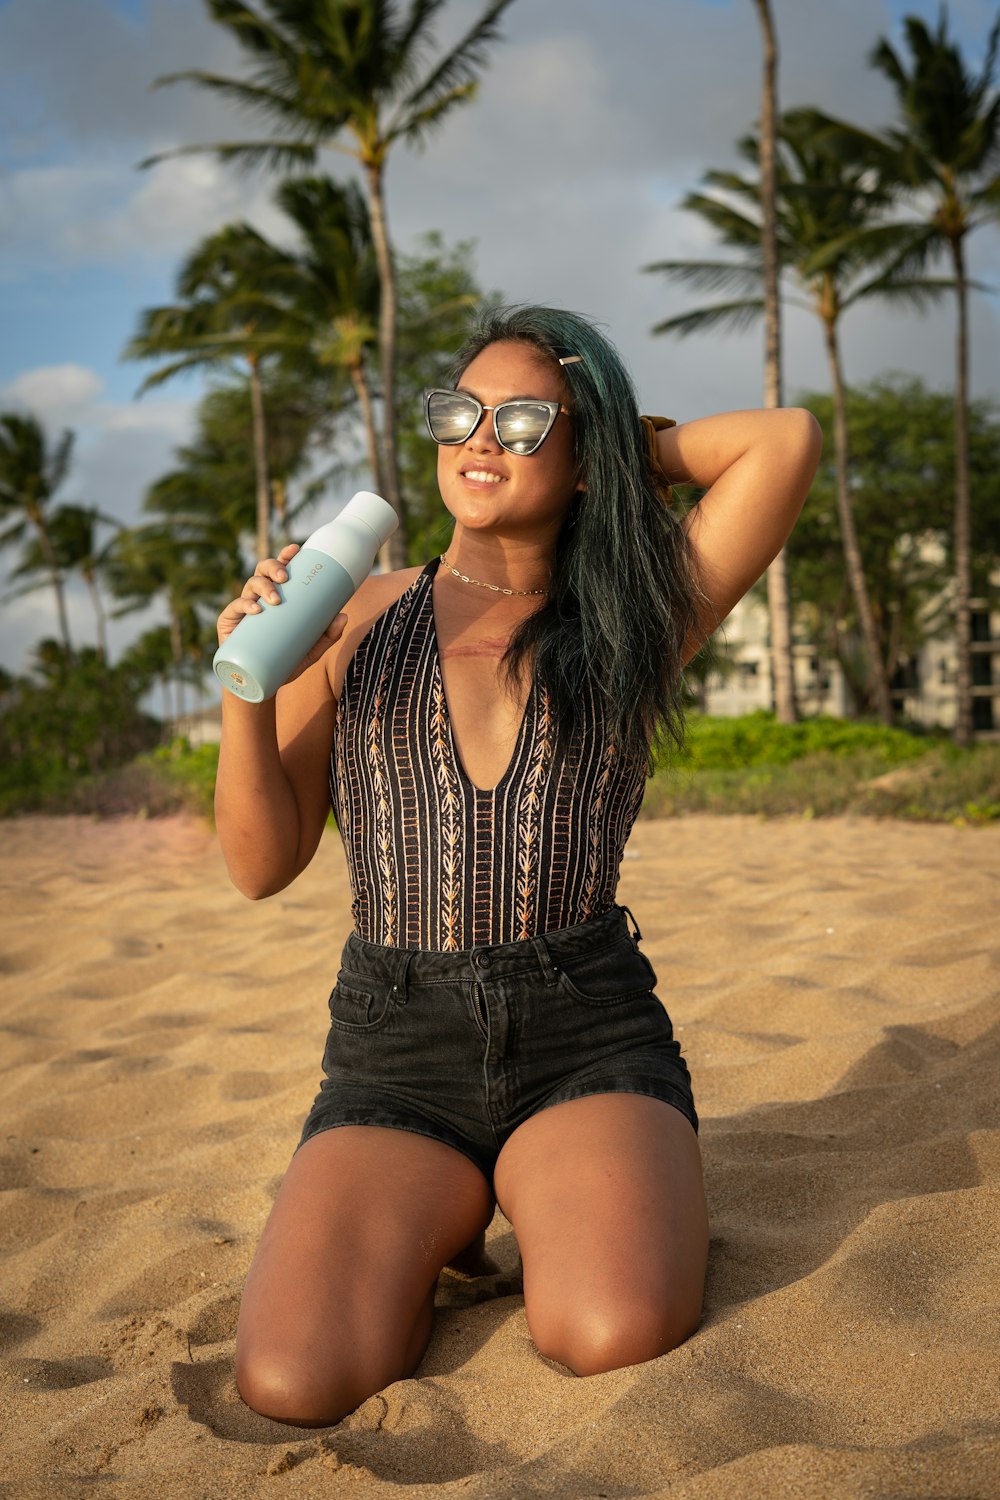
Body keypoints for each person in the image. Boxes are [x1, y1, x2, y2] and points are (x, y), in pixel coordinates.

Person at [214, 304, 822, 1428]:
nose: (479, 440)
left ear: (583, 451)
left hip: (583, 1035)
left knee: (608, 1334)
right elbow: (260, 866)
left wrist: (609, 449)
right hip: (395, 1051)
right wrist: (248, 688)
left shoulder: (637, 613)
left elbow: (779, 439)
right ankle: (437, 1222)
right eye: (461, 415)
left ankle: (527, 1202)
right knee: (291, 1382)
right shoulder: (347, 615)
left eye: (524, 420)